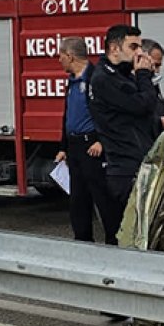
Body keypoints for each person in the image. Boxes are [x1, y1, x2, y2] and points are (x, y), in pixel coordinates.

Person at [87, 24, 159, 220]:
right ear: (114, 48)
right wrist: (144, 75)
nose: (139, 53)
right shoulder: (105, 79)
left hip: (139, 158)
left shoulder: (123, 75)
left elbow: (147, 111)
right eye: (133, 47)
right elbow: (143, 105)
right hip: (124, 166)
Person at [54, 37, 120, 244]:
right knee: (78, 199)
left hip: (93, 145)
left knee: (103, 198)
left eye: (61, 56)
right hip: (74, 147)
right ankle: (82, 242)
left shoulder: (96, 78)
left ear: (70, 56)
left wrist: (102, 140)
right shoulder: (72, 81)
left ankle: (114, 242)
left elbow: (111, 114)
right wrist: (63, 147)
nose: (59, 60)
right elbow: (68, 115)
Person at [142, 38, 164, 132]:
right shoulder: (130, 85)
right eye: (155, 65)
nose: (157, 71)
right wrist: (159, 122)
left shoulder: (153, 83)